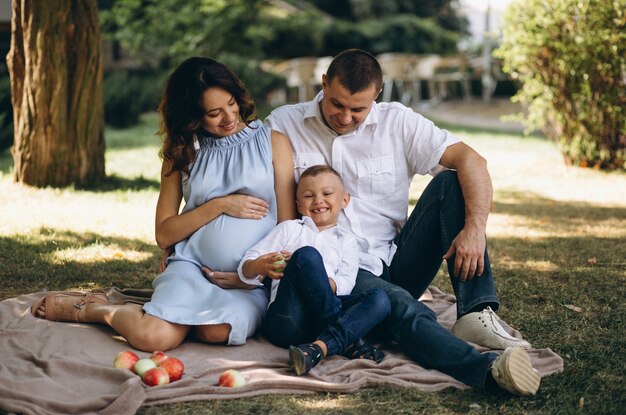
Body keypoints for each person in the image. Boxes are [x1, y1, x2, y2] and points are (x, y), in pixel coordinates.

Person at [262, 49, 541, 396]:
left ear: (376, 96)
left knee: (450, 183)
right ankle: (486, 371)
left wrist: (475, 229)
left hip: (395, 259)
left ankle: (475, 312)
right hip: (338, 273)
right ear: (323, 84)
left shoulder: (398, 122)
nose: (345, 117)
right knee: (402, 308)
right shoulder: (283, 124)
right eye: (337, 104)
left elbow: (472, 160)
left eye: (358, 109)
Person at [30, 56, 297, 351]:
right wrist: (219, 205)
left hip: (247, 281)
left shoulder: (273, 143)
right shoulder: (182, 153)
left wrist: (249, 274)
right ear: (192, 116)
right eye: (213, 113)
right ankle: (93, 310)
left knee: (218, 331)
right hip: (192, 266)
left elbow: (287, 227)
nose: (229, 117)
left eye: (231, 103)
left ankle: (164, 314)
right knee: (154, 339)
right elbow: (164, 234)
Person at [237, 165, 391, 375]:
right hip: (287, 320)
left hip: (320, 324)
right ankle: (351, 341)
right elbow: (246, 264)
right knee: (307, 256)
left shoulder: (347, 242)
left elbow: (346, 284)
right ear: (299, 205)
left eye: (327, 194)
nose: (318, 200)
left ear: (344, 200)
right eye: (309, 196)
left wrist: (315, 279)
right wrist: (261, 265)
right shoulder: (290, 229)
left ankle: (318, 349)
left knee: (380, 299)